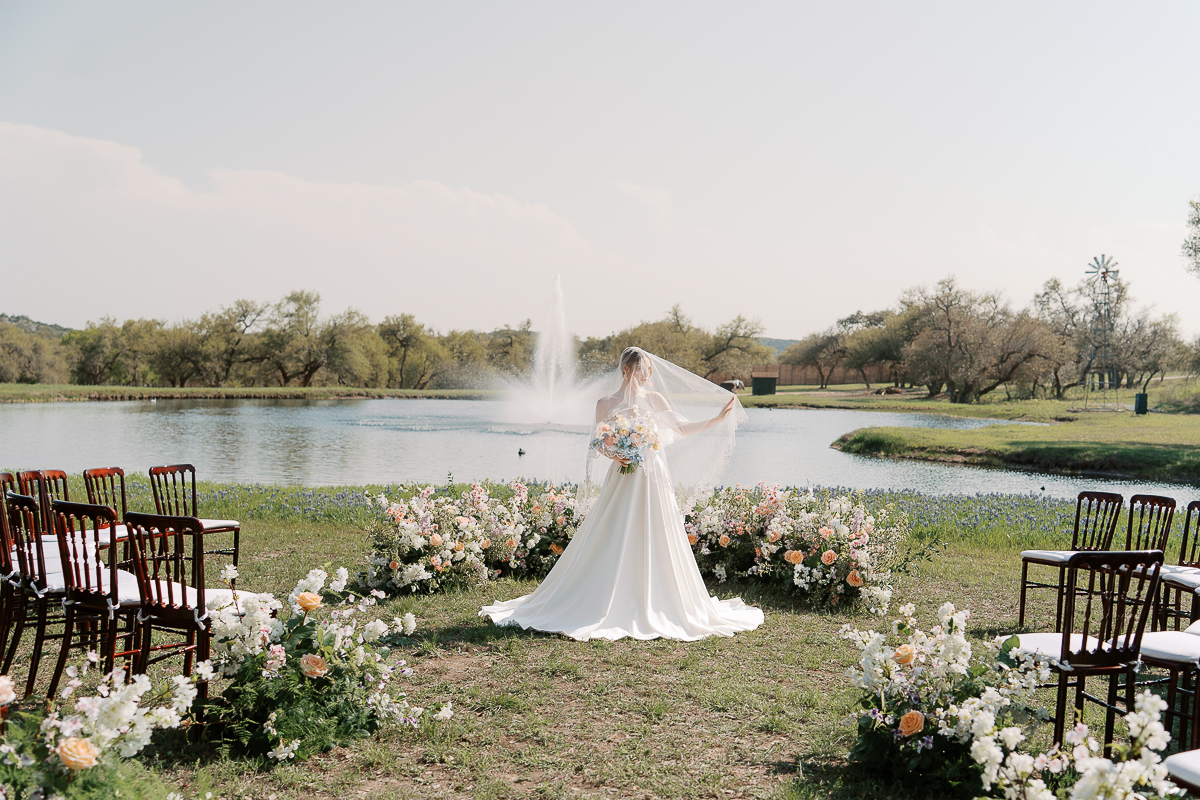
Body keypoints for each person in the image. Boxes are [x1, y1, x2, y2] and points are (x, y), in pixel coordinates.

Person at [480, 347, 763, 641]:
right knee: (613, 528)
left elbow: (679, 427)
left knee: (656, 530)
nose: (647, 375)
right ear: (627, 370)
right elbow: (596, 444)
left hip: (652, 475)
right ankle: (605, 593)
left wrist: (714, 421)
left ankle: (658, 598)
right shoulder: (606, 403)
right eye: (642, 369)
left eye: (649, 370)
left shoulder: (654, 399)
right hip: (623, 474)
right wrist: (616, 453)